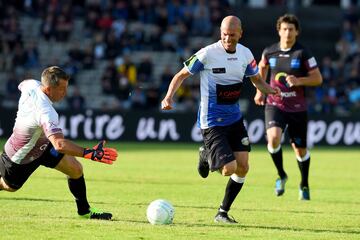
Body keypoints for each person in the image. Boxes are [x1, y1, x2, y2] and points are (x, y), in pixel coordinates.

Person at [161, 16, 281, 224]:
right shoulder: (207, 54)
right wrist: (168, 97)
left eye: (232, 35)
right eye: (224, 34)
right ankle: (206, 154)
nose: (227, 38)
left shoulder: (245, 54)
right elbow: (181, 75)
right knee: (229, 169)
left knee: (243, 167)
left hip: (234, 119)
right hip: (212, 121)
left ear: (240, 34)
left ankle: (222, 213)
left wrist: (270, 90)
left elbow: (256, 80)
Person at [0, 66, 118, 220]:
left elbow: (22, 84)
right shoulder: (46, 112)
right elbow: (59, 145)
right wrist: (90, 153)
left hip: (42, 146)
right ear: (48, 89)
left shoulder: (32, 85)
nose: (65, 92)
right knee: (8, 186)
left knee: (75, 169)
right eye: (62, 89)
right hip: (19, 157)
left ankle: (84, 211)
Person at [254, 14, 323, 200]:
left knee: (299, 150)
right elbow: (262, 67)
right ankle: (281, 175)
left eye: (291, 29)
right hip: (275, 105)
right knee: (274, 139)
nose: (287, 33)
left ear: (297, 32)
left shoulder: (303, 53)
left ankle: (304, 184)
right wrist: (261, 91)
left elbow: (318, 78)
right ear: (279, 31)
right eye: (284, 29)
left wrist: (299, 80)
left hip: (298, 108)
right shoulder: (269, 51)